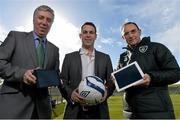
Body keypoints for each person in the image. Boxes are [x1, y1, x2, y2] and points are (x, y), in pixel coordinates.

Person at [0, 5, 60, 119]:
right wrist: (22, 74)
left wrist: (53, 79)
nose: (44, 22)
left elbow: (56, 73)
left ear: (51, 24)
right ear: (33, 19)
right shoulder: (16, 36)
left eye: (49, 20)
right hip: (13, 107)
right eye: (41, 17)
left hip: (42, 111)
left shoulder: (54, 49)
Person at [117, 21, 180, 119]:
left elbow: (176, 73)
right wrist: (115, 80)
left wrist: (151, 77)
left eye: (133, 31)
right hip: (130, 114)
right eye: (126, 33)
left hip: (156, 113)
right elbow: (119, 82)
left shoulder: (156, 47)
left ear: (140, 32)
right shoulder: (123, 57)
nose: (130, 35)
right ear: (123, 37)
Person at [59, 22, 115, 119]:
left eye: (91, 32)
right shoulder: (69, 57)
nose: (88, 35)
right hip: (75, 111)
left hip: (99, 111)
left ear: (95, 36)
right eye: (85, 32)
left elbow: (111, 81)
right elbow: (62, 81)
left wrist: (106, 92)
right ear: (80, 36)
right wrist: (71, 93)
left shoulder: (105, 58)